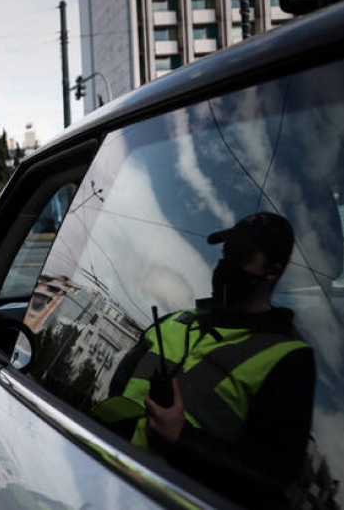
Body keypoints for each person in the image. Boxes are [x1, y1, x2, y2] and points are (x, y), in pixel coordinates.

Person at [92, 212, 316, 508]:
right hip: (97, 476)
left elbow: (271, 478)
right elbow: (117, 389)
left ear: (272, 271)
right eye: (226, 253)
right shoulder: (175, 321)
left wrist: (183, 439)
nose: (226, 263)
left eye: (241, 255)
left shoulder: (288, 358)